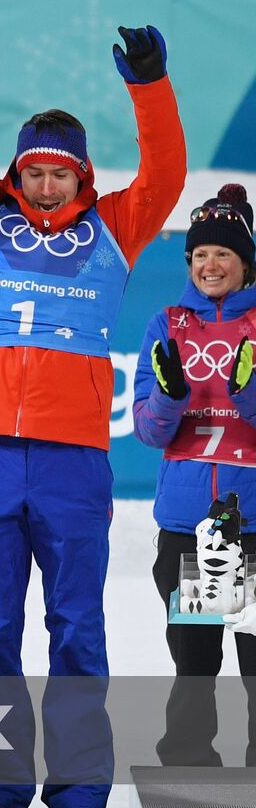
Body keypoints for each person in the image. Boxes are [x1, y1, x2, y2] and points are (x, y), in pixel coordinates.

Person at [0, 23, 187, 808]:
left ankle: (82, 790)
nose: (49, 185)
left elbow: (166, 173)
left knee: (76, 625)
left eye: (61, 173)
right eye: (35, 171)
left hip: (73, 459)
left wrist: (151, 85)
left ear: (84, 176)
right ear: (16, 172)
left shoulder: (117, 227)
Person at [133, 183, 256, 766]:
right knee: (195, 656)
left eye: (224, 254)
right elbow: (150, 431)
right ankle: (187, 767)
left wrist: (249, 392)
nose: (211, 264)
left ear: (244, 263)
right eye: (201, 254)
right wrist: (170, 397)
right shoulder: (167, 323)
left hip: (252, 523)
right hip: (191, 524)